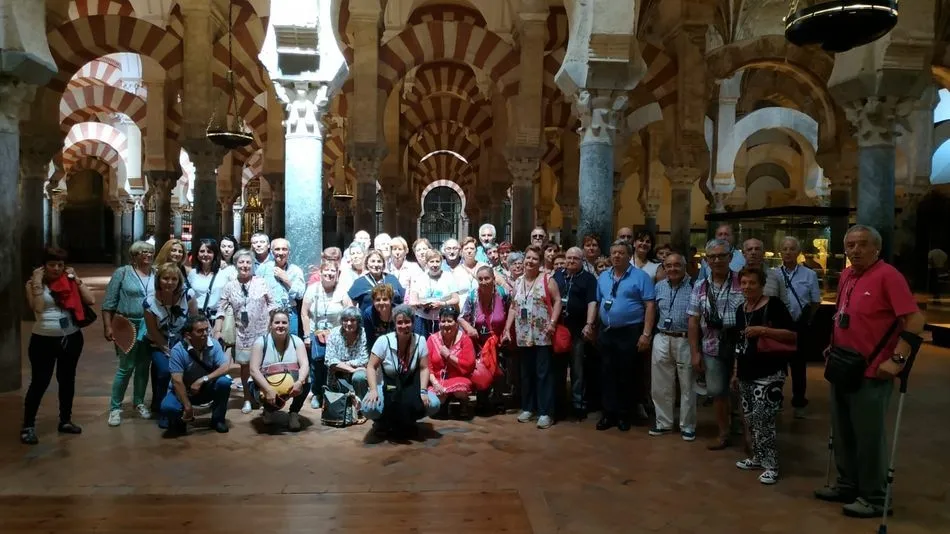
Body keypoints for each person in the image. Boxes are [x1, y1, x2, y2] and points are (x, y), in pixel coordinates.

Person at [814, 225, 925, 518]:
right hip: (842, 364)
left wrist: (898, 360)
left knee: (868, 437)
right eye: (850, 245)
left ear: (876, 248)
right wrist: (831, 345)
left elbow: (914, 320)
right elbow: (842, 315)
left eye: (862, 245)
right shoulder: (848, 275)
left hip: (872, 370)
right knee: (842, 432)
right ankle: (848, 484)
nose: (855, 250)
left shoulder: (889, 276)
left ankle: (876, 497)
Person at [20, 248, 95, 444]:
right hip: (43, 338)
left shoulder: (69, 281)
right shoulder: (33, 284)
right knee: (40, 381)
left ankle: (65, 420)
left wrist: (76, 279)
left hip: (70, 337)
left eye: (60, 265)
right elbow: (37, 308)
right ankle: (28, 425)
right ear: (43, 266)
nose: (56, 268)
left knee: (67, 379)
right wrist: (37, 282)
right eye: (52, 264)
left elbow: (90, 300)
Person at [732, 267, 797, 485]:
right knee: (750, 418)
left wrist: (763, 330)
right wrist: (735, 372)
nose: (747, 287)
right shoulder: (740, 309)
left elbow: (791, 335)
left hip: (769, 372)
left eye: (752, 283)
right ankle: (758, 457)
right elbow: (739, 344)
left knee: (765, 420)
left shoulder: (774, 305)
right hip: (746, 371)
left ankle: (772, 464)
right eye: (744, 283)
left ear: (761, 285)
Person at [688, 239, 745, 450]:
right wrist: (695, 352)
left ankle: (747, 433)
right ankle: (723, 432)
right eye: (712, 257)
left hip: (741, 345)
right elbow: (693, 320)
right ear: (706, 260)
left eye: (722, 255)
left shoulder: (743, 281)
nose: (717, 260)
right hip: (712, 345)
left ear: (730, 257)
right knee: (717, 390)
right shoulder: (700, 286)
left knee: (743, 389)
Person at [594, 239, 656, 431]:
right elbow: (598, 302)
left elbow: (650, 306)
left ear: (629, 256)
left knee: (627, 374)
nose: (617, 256)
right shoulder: (604, 277)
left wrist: (646, 334)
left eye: (621, 253)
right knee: (606, 373)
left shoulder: (641, 277)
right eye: (614, 253)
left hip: (630, 332)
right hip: (607, 331)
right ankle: (608, 413)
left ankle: (623, 414)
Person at [502, 245, 561, 430]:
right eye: (528, 258)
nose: (530, 261)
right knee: (526, 373)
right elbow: (513, 306)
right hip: (523, 334)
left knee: (543, 374)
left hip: (543, 334)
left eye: (534, 258)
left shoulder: (547, 279)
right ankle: (528, 407)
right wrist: (507, 328)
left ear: (540, 261)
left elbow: (558, 300)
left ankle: (546, 412)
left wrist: (552, 322)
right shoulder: (518, 282)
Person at [362, 304, 442, 436]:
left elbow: (424, 368)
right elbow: (371, 367)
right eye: (400, 322)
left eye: (407, 322)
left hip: (409, 386)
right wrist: (373, 390)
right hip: (387, 386)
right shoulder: (383, 341)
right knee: (369, 408)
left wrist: (423, 391)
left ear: (413, 322)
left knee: (433, 403)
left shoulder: (420, 340)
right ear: (395, 323)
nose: (404, 326)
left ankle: (409, 420)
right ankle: (381, 421)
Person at [215, 249, 277, 414]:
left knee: (263, 367)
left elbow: (272, 304)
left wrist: (273, 325)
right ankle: (247, 399)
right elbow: (220, 308)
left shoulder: (261, 282)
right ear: (236, 264)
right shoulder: (229, 286)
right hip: (242, 333)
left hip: (262, 331)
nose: (245, 265)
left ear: (252, 265)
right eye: (241, 262)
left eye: (248, 262)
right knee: (245, 367)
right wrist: (217, 329)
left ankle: (263, 397)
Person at [102, 240, 156, 427]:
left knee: (143, 366)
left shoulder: (156, 273)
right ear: (134, 256)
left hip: (149, 324)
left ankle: (139, 402)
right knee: (126, 367)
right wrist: (108, 326)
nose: (148, 255)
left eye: (150, 252)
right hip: (126, 323)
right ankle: (115, 407)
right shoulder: (123, 273)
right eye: (143, 252)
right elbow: (109, 302)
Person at [144, 262, 198, 427]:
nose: (170, 282)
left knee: (184, 372)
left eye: (174, 279)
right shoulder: (149, 301)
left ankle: (179, 404)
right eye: (165, 278)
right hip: (158, 343)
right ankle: (163, 409)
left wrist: (188, 346)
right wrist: (168, 351)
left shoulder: (188, 295)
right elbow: (153, 331)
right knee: (164, 371)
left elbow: (193, 321)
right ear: (158, 279)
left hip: (182, 342)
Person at [649, 252, 696, 440]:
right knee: (660, 384)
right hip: (662, 337)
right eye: (668, 265)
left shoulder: (695, 286)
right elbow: (653, 311)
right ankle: (664, 423)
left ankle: (688, 426)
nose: (673, 269)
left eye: (677, 265)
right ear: (664, 267)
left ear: (684, 267)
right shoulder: (659, 287)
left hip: (685, 339)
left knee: (687, 384)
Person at [160, 316, 232, 435]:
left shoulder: (214, 344)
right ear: (188, 335)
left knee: (224, 382)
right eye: (200, 331)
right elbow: (177, 381)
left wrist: (203, 380)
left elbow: (225, 367)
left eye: (206, 330)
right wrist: (187, 406)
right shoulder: (177, 351)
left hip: (206, 388)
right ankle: (180, 421)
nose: (205, 334)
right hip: (184, 391)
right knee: (168, 407)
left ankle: (218, 420)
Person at [774, 236, 820, 419]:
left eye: (792, 249)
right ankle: (775, 399)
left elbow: (815, 301)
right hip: (779, 326)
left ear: (798, 252)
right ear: (780, 252)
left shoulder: (810, 275)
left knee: (799, 367)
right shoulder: (774, 274)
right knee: (777, 365)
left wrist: (805, 320)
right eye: (784, 249)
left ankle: (799, 401)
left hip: (799, 326)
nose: (788, 252)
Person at [552, 247, 598, 421]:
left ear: (582, 260)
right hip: (558, 330)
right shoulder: (557, 276)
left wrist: (589, 324)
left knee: (577, 370)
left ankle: (578, 404)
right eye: (568, 258)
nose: (571, 261)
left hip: (577, 330)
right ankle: (559, 405)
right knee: (558, 370)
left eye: (575, 259)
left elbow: (592, 302)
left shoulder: (588, 279)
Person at [301, 260, 352, 408]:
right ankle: (317, 393)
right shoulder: (312, 289)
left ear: (337, 274)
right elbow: (304, 314)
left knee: (335, 365)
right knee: (317, 365)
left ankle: (332, 393)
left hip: (336, 334)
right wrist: (306, 335)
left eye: (333, 272)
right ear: (321, 273)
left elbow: (349, 312)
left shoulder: (342, 290)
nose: (329, 274)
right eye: (327, 271)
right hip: (316, 333)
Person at [248, 309, 310, 431]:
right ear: (270, 325)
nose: (280, 326)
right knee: (260, 390)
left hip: (289, 382)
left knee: (306, 381)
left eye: (284, 322)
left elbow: (305, 365)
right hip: (265, 384)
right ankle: (268, 410)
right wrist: (268, 389)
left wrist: (299, 382)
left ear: (289, 324)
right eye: (277, 322)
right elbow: (253, 370)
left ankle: (294, 413)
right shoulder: (261, 342)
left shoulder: (297, 341)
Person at [427, 306, 478, 411]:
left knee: (461, 391)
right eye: (443, 321)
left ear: (456, 323)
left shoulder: (465, 339)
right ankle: (443, 404)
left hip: (458, 379)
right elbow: (427, 366)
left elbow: (469, 365)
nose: (446, 324)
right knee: (436, 400)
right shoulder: (432, 339)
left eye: (449, 321)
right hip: (437, 380)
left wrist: (449, 356)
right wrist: (435, 384)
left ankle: (463, 403)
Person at [257, 238, 305, 335]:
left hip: (289, 313)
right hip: (269, 314)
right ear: (271, 251)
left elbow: (300, 295)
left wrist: (286, 279)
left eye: (284, 249)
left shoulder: (296, 270)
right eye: (277, 249)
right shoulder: (264, 268)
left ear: (289, 252)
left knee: (290, 346)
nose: (281, 252)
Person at [408, 250, 459, 337]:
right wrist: (421, 304)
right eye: (431, 261)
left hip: (443, 320)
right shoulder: (419, 278)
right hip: (422, 319)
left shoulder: (448, 277)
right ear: (427, 263)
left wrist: (442, 304)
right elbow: (412, 302)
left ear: (441, 262)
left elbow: (456, 299)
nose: (435, 264)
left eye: (437, 261)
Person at [325, 306, 371, 401]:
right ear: (341, 321)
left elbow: (364, 360)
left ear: (358, 321)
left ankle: (361, 406)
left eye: (353, 320)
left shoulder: (364, 334)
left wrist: (341, 364)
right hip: (337, 374)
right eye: (345, 320)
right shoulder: (334, 333)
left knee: (360, 377)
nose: (349, 323)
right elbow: (329, 360)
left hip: (358, 373)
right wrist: (351, 369)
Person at [188, 238, 231, 324]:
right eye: (202, 251)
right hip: (198, 320)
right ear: (197, 254)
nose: (205, 254)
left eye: (209, 251)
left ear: (214, 254)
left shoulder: (224, 272)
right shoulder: (192, 274)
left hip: (219, 319)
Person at [348, 249, 404, 314]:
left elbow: (402, 302)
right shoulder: (359, 282)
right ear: (367, 264)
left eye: (379, 261)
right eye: (373, 261)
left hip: (391, 321)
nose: (376, 264)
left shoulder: (392, 279)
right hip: (368, 322)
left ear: (383, 264)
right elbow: (350, 309)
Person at [741, 238, 790, 309]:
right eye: (749, 249)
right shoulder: (736, 276)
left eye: (757, 249)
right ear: (743, 253)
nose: (753, 252)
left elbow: (785, 304)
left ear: (763, 253)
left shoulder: (776, 275)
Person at [453, 236, 488, 311]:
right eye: (466, 249)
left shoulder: (484, 267)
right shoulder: (456, 271)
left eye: (472, 248)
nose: (469, 251)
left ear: (476, 251)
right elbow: (454, 295)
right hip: (463, 312)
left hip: (482, 310)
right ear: (462, 252)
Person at [363, 283, 396, 350]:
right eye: (377, 300)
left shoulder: (398, 313)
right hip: (377, 349)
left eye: (385, 299)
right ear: (373, 301)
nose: (381, 302)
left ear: (391, 300)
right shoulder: (368, 314)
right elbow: (370, 340)